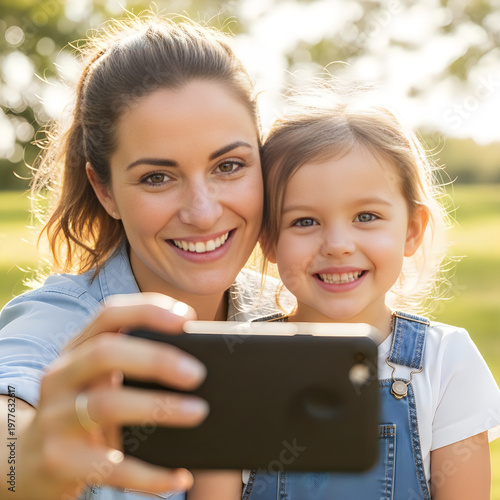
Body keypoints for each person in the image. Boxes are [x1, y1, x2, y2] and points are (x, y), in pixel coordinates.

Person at [0, 15, 279, 500]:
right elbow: (9, 428)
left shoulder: (285, 312)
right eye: (157, 177)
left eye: (229, 166)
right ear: (104, 190)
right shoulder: (61, 321)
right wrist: (25, 458)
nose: (203, 211)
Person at [237, 83, 500, 499]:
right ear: (267, 239)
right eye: (305, 221)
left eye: (366, 216)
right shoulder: (238, 363)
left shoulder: (445, 361)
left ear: (412, 231)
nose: (338, 243)